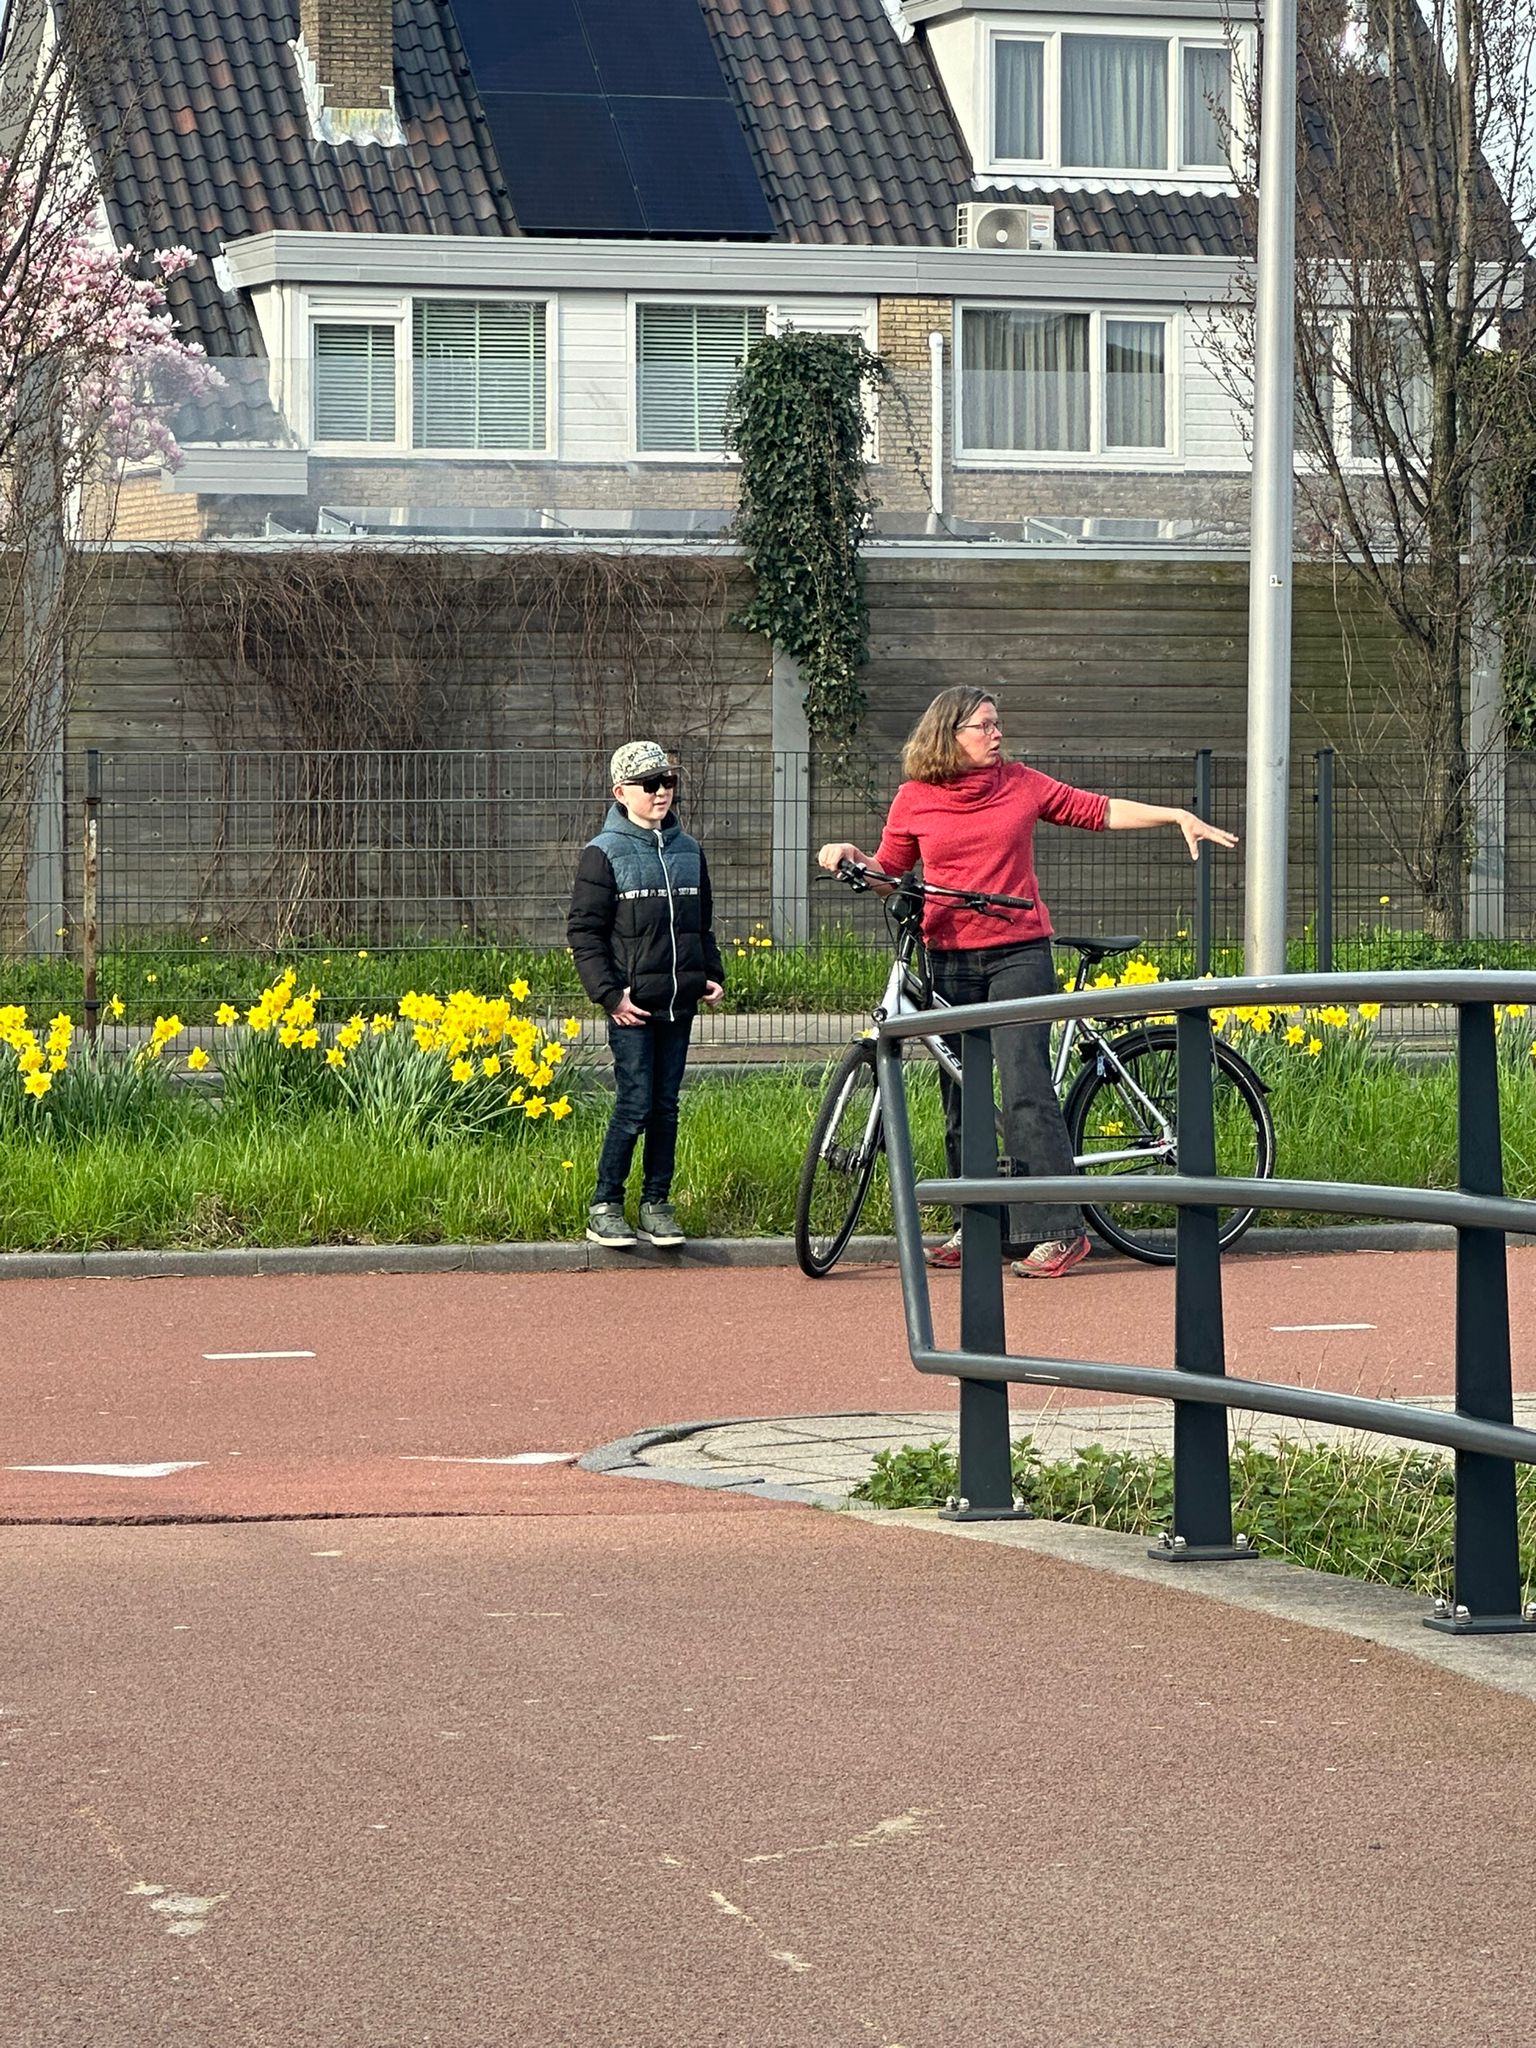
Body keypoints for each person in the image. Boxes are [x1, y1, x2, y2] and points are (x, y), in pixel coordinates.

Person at [818, 688, 1237, 1278]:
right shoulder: (914, 798)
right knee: (960, 1093)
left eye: (997, 725)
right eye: (984, 726)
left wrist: (1174, 816)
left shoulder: (1020, 783)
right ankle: (979, 1224)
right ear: (949, 734)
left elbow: (1098, 809)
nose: (996, 734)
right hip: (950, 958)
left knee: (1023, 1085)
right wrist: (849, 856)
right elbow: (891, 871)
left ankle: (1059, 1230)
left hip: (1018, 953)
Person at [568, 739, 725, 1249]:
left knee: (665, 1106)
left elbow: (701, 925)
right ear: (621, 792)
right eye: (650, 785)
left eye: (669, 782)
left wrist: (710, 973)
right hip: (632, 1010)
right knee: (634, 1103)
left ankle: (656, 1204)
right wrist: (610, 997)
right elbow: (586, 934)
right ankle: (604, 1205)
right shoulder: (603, 853)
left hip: (679, 1005)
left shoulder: (689, 850)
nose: (662, 792)